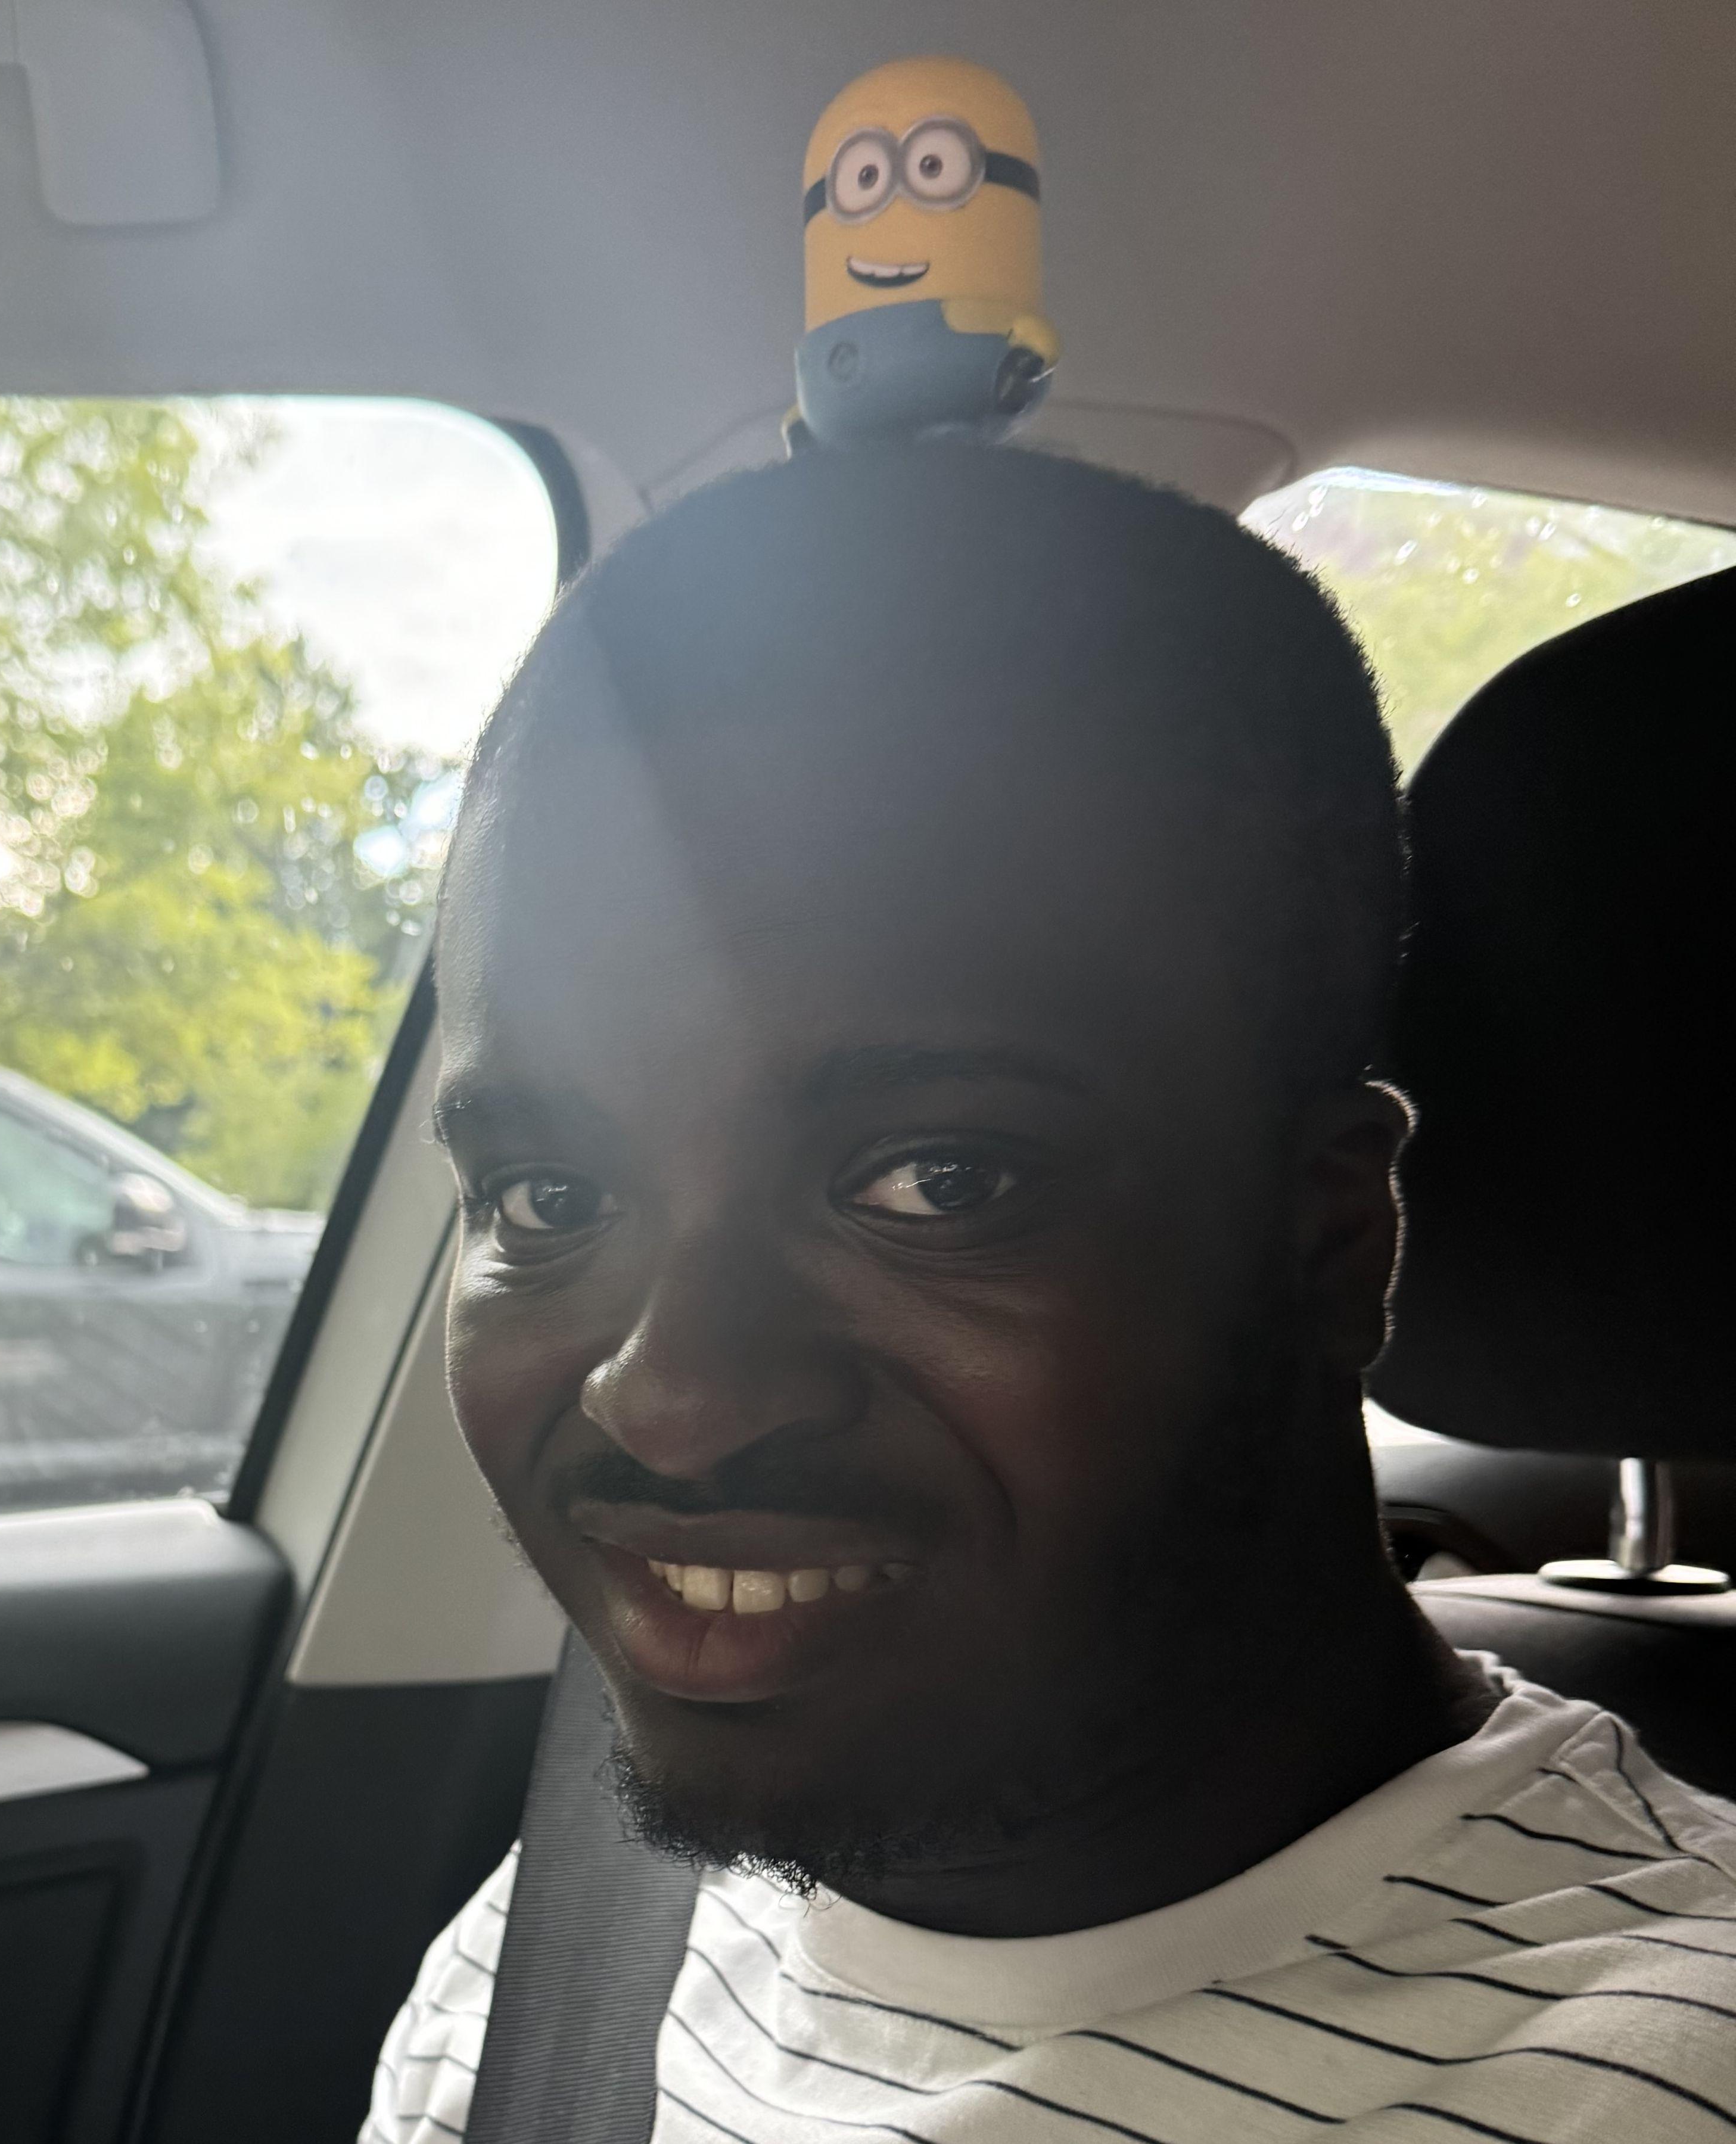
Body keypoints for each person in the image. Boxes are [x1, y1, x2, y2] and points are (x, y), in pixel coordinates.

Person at [366, 445, 1736, 2141]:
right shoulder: (564, 1939)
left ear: (1333, 1240)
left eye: (939, 1180)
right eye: (549, 1198)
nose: (671, 1398)